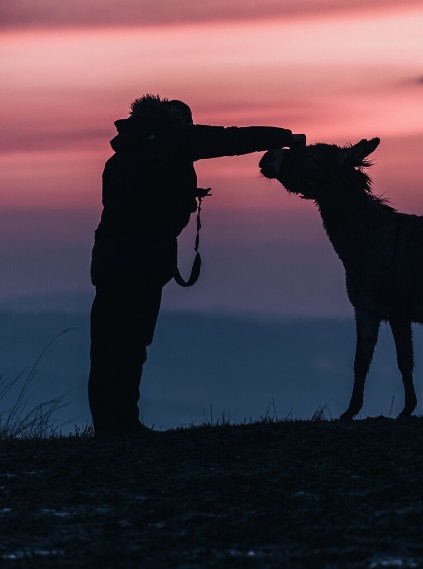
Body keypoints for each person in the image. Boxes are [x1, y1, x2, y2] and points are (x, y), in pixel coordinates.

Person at [89, 94, 305, 436]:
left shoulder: (121, 157)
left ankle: (111, 426)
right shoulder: (173, 139)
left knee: (108, 345)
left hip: (110, 257)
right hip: (140, 259)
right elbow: (230, 138)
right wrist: (284, 137)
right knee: (131, 344)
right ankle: (122, 427)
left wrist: (178, 194)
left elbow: (132, 201)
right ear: (180, 124)